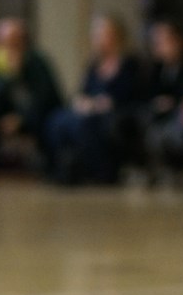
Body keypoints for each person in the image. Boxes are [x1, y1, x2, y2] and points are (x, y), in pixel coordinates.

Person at [44, 15, 146, 186]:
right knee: (57, 119)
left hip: (115, 112)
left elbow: (132, 94)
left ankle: (101, 171)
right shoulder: (94, 64)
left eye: (102, 34)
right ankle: (62, 167)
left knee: (86, 123)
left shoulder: (130, 63)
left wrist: (103, 103)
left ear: (116, 35)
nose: (98, 39)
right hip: (91, 110)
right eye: (96, 34)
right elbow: (81, 91)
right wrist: (81, 101)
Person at [0, 17, 62, 181]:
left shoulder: (37, 61)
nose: (9, 47)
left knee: (48, 120)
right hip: (10, 114)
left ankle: (52, 167)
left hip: (37, 114)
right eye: (4, 42)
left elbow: (45, 99)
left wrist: (21, 119)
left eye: (13, 42)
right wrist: (9, 75)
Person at [141, 18, 183, 181]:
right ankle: (156, 171)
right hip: (160, 115)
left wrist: (173, 102)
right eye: (156, 42)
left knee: (172, 131)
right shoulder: (156, 68)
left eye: (164, 41)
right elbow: (148, 93)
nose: (159, 46)